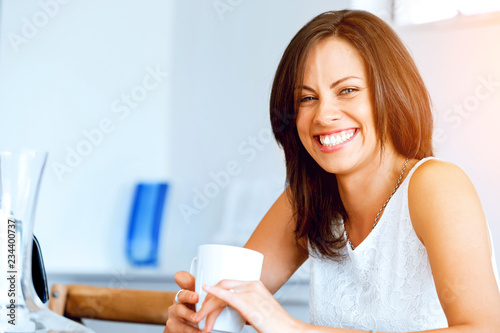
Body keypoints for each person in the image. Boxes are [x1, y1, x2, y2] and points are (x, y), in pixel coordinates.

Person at [165, 9, 500, 333]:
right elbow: (230, 295)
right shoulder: (308, 198)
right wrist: (197, 318)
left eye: (348, 90)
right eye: (307, 98)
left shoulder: (436, 186)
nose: (324, 114)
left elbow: (485, 329)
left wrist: (293, 328)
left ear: (392, 92)